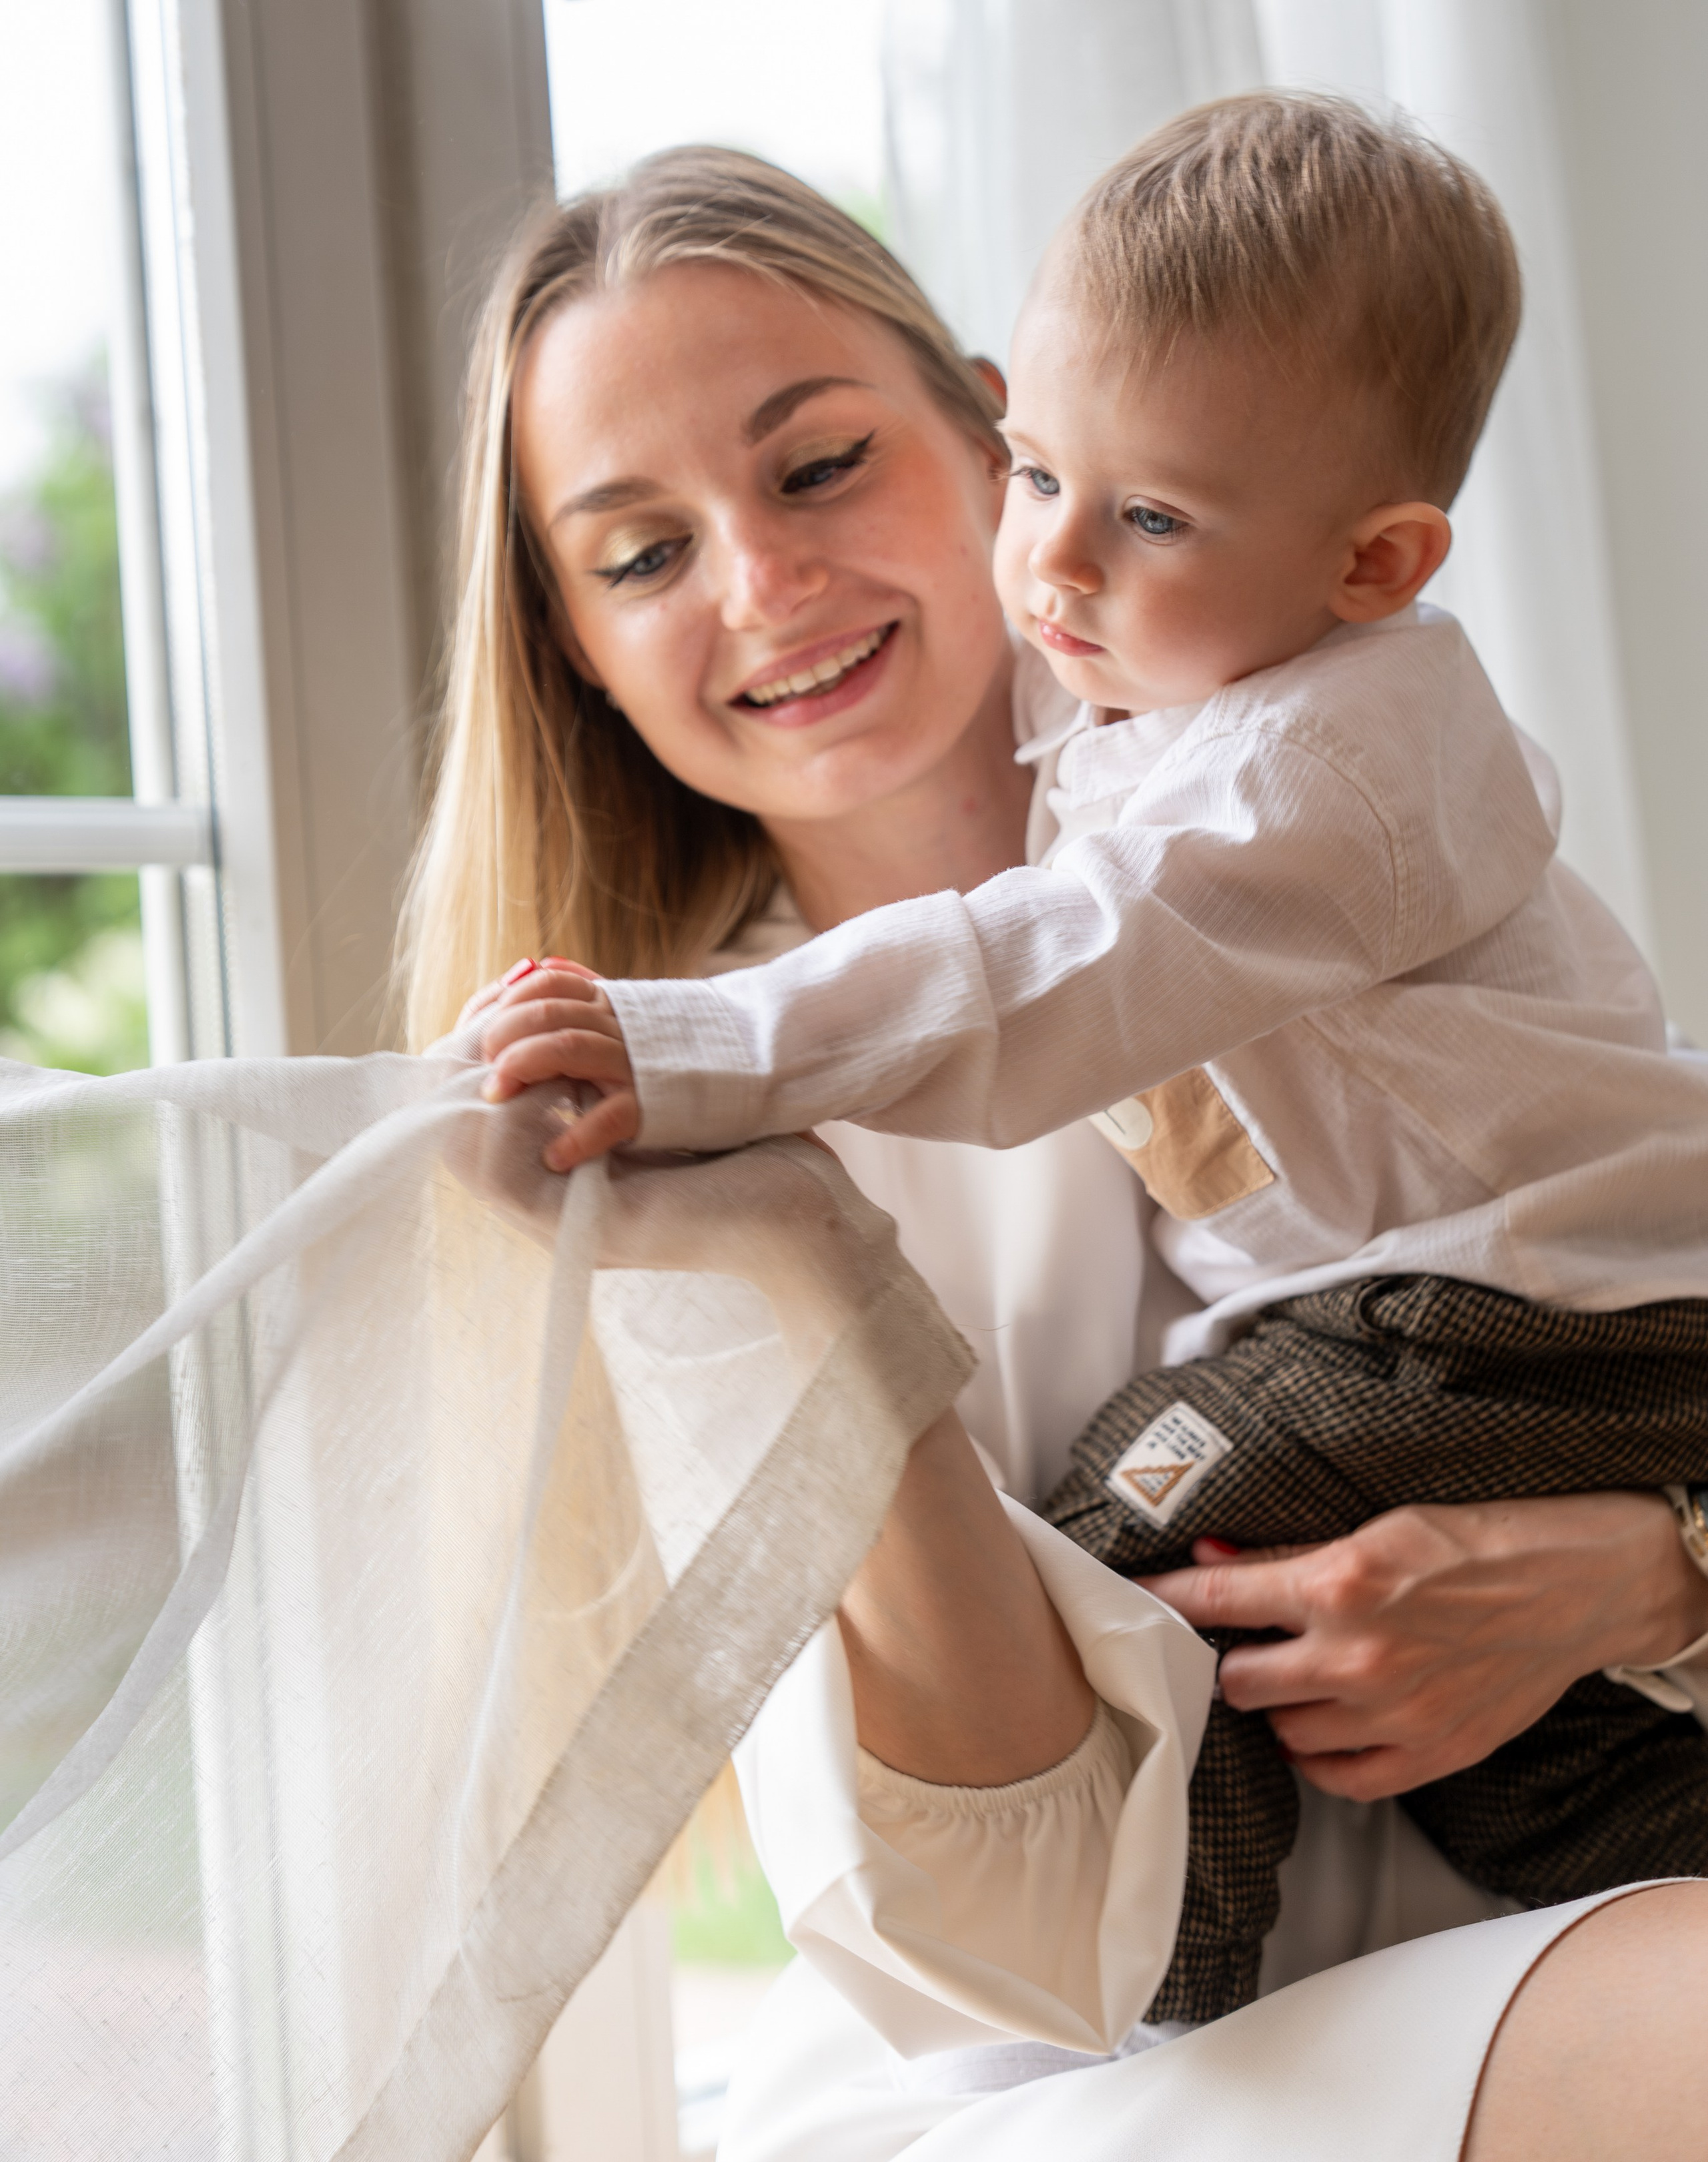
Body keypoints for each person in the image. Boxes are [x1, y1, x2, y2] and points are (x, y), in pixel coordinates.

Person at [402, 145, 1708, 2158]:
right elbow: (1009, 1952)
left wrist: (1650, 1579)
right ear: (574, 643)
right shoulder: (676, 1149)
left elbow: (1641, 1283)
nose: (766, 585)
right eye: (642, 553)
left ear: (990, 427)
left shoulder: (1311, 818)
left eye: (819, 465)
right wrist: (820, 1287)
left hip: (1555, 1941)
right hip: (1071, 2084)